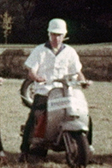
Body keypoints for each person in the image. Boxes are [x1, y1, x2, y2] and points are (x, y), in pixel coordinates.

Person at [19, 18, 89, 159]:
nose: (56, 38)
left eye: (59, 35)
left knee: (85, 115)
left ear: (64, 36)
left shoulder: (70, 52)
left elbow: (77, 72)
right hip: (45, 91)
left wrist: (83, 81)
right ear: (49, 34)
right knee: (35, 115)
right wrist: (37, 77)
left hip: (66, 91)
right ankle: (24, 150)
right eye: (53, 34)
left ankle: (88, 147)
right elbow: (31, 71)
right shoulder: (40, 50)